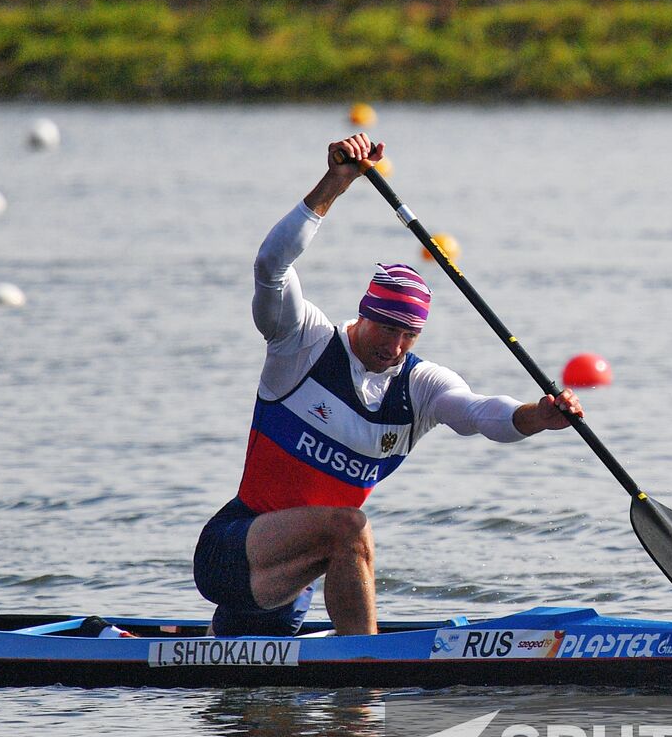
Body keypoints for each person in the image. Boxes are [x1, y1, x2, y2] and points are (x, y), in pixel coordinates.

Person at [193, 134, 583, 637]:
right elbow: (271, 266)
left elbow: (481, 412)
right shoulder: (302, 344)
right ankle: (367, 672)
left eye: (408, 334)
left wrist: (538, 416)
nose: (395, 346)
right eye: (386, 328)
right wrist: (334, 185)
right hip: (232, 547)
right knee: (349, 529)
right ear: (363, 314)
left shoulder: (420, 386)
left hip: (293, 579)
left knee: (254, 711)